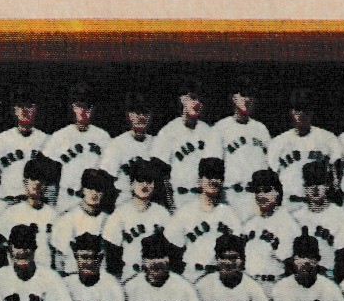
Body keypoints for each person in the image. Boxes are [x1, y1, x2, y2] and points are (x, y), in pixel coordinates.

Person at [164, 157, 244, 284]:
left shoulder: (229, 214)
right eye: (209, 176)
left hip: (220, 278)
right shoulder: (185, 212)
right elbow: (172, 250)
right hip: (192, 275)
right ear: (199, 180)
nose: (213, 181)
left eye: (218, 177)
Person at [150, 77, 223, 209]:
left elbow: (216, 174)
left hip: (204, 199)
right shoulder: (168, 132)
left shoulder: (209, 132)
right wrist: (170, 207)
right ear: (183, 99)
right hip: (179, 199)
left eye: (201, 100)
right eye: (193, 98)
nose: (197, 103)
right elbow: (159, 176)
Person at [267, 87, 343, 212]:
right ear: (291, 112)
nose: (302, 114)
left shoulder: (328, 139)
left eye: (306, 110)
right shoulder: (278, 142)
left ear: (312, 112)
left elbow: (336, 176)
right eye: (298, 110)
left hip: (319, 206)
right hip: (289, 205)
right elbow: (272, 179)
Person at [42, 82, 112, 214]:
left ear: (93, 109)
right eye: (79, 106)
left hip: (94, 203)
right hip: (67, 201)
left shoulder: (103, 137)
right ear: (72, 107)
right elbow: (48, 178)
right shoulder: (59, 136)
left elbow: (109, 175)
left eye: (88, 107)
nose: (83, 111)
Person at [102, 157, 173, 283]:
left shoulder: (162, 214)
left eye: (149, 181)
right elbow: (112, 256)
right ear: (131, 184)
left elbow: (172, 251)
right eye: (140, 180)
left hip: (157, 276)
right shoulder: (120, 214)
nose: (145, 185)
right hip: (129, 276)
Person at [290, 161, 344, 282]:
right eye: (310, 184)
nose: (315, 189)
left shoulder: (342, 217)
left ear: (327, 186)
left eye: (320, 183)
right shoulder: (296, 218)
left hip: (330, 277)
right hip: (301, 278)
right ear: (305, 188)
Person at [214, 76, 272, 222]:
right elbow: (213, 170)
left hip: (256, 198)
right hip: (230, 197)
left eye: (251, 95)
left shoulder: (261, 130)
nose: (246, 99)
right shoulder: (220, 128)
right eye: (242, 94)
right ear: (233, 98)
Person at [0, 154, 62, 271]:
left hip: (45, 274)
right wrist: (2, 267)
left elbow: (59, 251)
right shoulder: (12, 212)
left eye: (41, 180)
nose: (37, 183)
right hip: (18, 273)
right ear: (25, 182)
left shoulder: (53, 215)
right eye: (33, 179)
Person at [237, 168, 301, 297]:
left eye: (266, 190)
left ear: (277, 192)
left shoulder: (288, 224)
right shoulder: (249, 224)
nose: (261, 195)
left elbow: (293, 267)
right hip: (250, 287)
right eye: (257, 191)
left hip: (275, 286)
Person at [0, 82, 49, 203]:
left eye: (29, 106)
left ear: (36, 109)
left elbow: (53, 180)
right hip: (8, 201)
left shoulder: (46, 140)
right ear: (15, 110)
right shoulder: (1, 139)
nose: (24, 111)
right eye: (20, 106)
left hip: (36, 203)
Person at [50, 168, 116, 275]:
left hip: (100, 279)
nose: (94, 193)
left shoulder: (110, 220)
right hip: (72, 276)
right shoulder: (66, 219)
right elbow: (59, 262)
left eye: (98, 189)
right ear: (83, 189)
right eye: (90, 188)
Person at [99, 91, 156, 208]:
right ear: (129, 115)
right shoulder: (116, 144)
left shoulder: (156, 144)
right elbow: (104, 183)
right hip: (124, 204)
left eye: (145, 113)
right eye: (137, 113)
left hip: (150, 206)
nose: (141, 118)